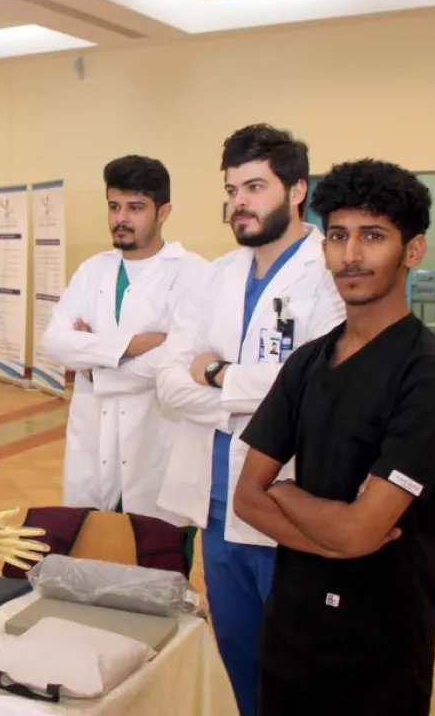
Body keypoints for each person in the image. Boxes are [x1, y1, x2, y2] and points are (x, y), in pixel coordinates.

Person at [234, 160, 435, 714]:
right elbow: (247, 498)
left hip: (379, 650)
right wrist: (336, 537)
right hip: (291, 636)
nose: (350, 255)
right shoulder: (306, 363)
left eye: (373, 236)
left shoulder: (433, 379)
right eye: (338, 236)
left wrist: (287, 493)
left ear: (413, 250)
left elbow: (361, 530)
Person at [155, 124, 345, 716]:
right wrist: (252, 388)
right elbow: (168, 383)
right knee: (237, 660)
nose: (239, 202)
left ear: (297, 190)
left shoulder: (329, 274)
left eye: (255, 187)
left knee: (297, 667)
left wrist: (215, 374)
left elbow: (317, 387)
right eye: (232, 189)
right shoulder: (216, 276)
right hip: (217, 511)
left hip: (285, 507)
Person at [42, 155, 207, 565]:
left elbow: (177, 359)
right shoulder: (92, 271)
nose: (121, 218)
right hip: (93, 443)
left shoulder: (193, 274)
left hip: (159, 446)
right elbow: (55, 343)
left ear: (164, 212)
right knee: (92, 563)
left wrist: (94, 361)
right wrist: (134, 344)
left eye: (135, 207)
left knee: (159, 573)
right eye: (114, 206)